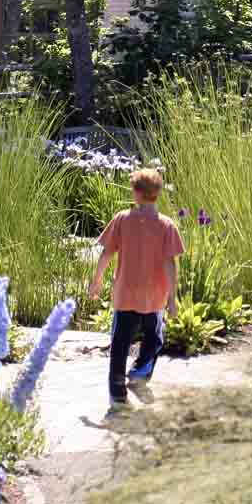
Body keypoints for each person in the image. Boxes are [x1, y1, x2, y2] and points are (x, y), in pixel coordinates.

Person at [87, 168, 183, 406]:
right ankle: (139, 373)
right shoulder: (166, 225)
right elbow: (170, 264)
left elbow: (107, 253)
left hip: (125, 293)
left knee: (120, 343)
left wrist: (97, 280)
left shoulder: (122, 219)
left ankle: (118, 393)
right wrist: (172, 298)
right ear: (157, 194)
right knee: (154, 338)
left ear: (136, 193)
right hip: (154, 296)